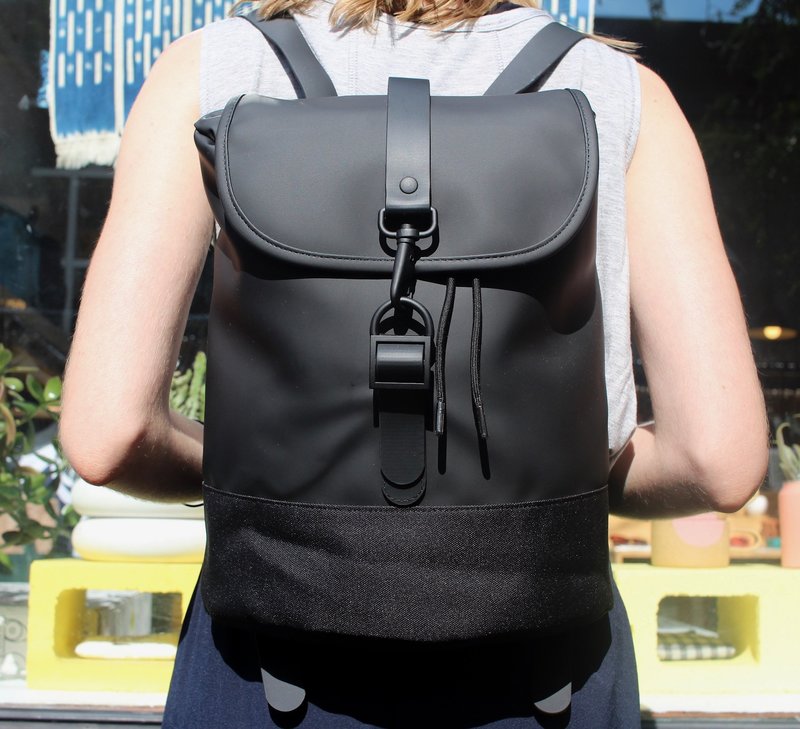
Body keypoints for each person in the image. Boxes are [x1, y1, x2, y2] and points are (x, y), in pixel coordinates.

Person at [60, 0, 768, 725]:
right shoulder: (619, 89)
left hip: (271, 655)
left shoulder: (212, 68)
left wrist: (255, 476)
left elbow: (108, 434)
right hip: (544, 658)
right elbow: (718, 459)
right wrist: (562, 486)